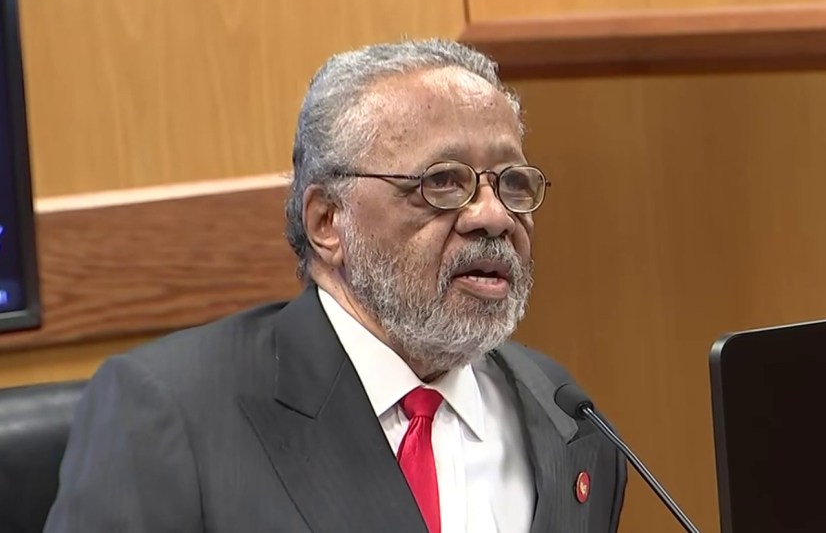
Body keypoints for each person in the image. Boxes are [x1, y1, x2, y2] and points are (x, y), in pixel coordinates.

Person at [44, 38, 627, 533]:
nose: (494, 216)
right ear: (327, 221)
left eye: (513, 183)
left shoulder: (565, 416)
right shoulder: (171, 412)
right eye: (444, 182)